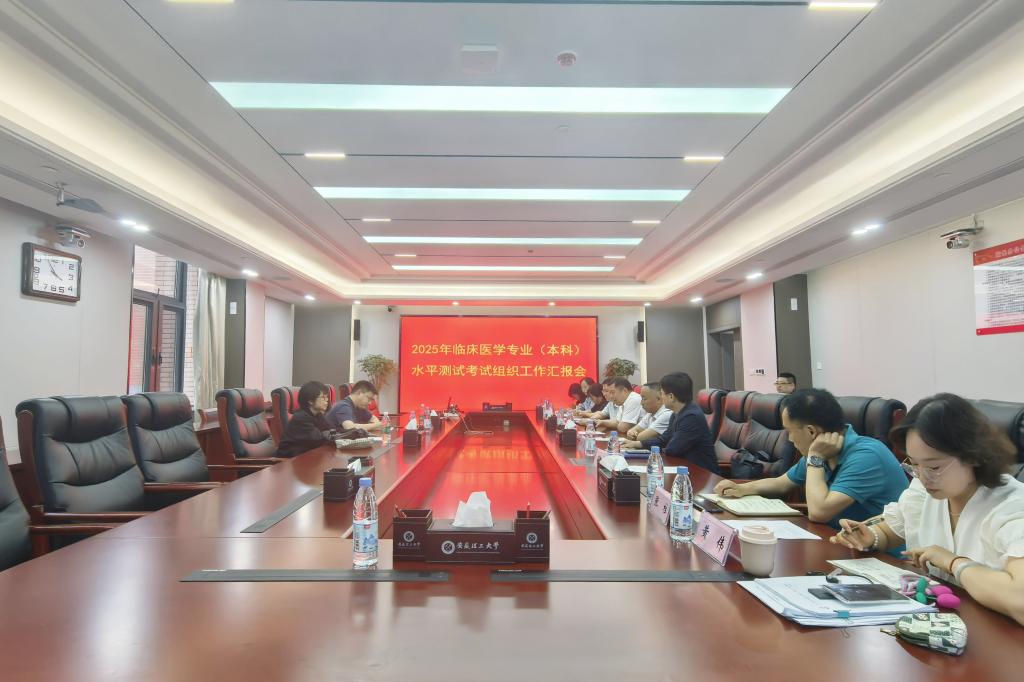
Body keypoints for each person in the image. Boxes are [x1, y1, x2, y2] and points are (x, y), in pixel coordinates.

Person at [830, 393, 1024, 626]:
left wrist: (954, 563)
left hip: (1001, 637)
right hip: (943, 624)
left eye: (933, 466)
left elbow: (1020, 600)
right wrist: (870, 537)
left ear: (973, 455)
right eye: (914, 464)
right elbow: (893, 529)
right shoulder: (926, 489)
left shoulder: (1013, 508)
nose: (922, 477)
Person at [713, 388, 908, 528]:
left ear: (811, 431)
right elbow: (782, 483)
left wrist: (815, 457)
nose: (789, 439)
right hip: (842, 544)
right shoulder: (826, 448)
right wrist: (742, 489)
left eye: (789, 431)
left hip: (883, 558)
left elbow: (819, 512)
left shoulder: (866, 456)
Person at [623, 372, 718, 474]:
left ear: (671, 397)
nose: (661, 397)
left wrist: (648, 454)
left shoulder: (691, 417)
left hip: (702, 473)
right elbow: (664, 440)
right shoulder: (676, 413)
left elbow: (673, 449)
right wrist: (637, 444)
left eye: (662, 394)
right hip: (684, 468)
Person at [276, 381, 334, 457]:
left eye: (327, 397)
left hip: (307, 456)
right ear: (310, 401)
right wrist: (330, 434)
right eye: (323, 397)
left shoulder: (318, 415)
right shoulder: (301, 418)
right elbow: (319, 438)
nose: (327, 400)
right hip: (290, 460)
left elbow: (330, 432)